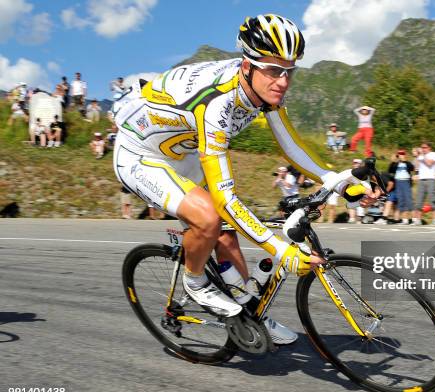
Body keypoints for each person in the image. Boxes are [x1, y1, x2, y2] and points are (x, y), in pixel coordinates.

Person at [111, 14, 374, 344]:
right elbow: (226, 199)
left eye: (289, 71)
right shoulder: (218, 103)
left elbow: (290, 144)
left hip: (183, 152)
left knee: (226, 235)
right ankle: (195, 284)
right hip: (141, 155)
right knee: (209, 217)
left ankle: (249, 311)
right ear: (247, 65)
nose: (283, 81)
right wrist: (282, 251)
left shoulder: (261, 90)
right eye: (274, 70)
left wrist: (333, 178)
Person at [413, 141, 435, 226]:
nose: (423, 149)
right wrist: (418, 156)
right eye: (422, 147)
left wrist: (422, 155)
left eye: (424, 147)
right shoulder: (420, 156)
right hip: (421, 179)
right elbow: (416, 168)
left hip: (430, 179)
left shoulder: (434, 154)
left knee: (432, 199)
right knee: (419, 200)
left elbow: (429, 163)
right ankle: (418, 219)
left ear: (429, 148)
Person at [387, 149, 414, 224]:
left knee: (408, 200)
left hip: (406, 182)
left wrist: (405, 160)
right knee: (401, 201)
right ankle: (405, 219)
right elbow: (390, 170)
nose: (400, 155)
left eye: (402, 154)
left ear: (405, 155)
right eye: (399, 154)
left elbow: (412, 168)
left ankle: (414, 219)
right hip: (398, 182)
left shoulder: (407, 163)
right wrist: (393, 161)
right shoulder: (396, 164)